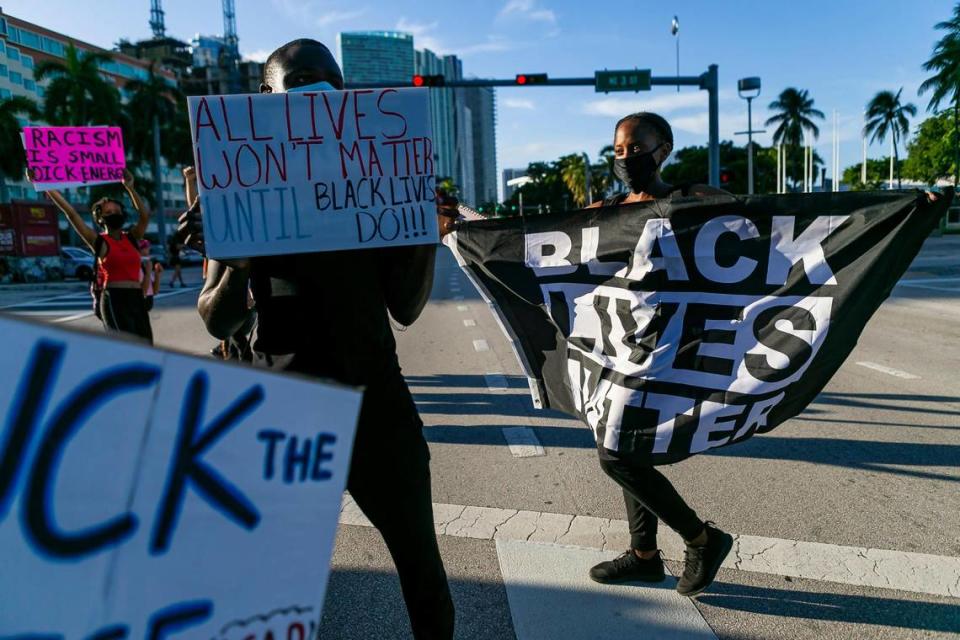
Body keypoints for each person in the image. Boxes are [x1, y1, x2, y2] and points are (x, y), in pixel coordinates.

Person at [177, 39, 458, 639]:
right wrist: (237, 259)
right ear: (265, 100)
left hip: (374, 404)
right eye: (298, 85)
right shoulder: (238, 188)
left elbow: (406, 309)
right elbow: (216, 321)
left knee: (421, 568)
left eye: (325, 86)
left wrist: (422, 230)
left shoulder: (375, 179)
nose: (313, 99)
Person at [584, 112, 733, 598]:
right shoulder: (608, 209)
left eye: (637, 147)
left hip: (667, 348)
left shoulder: (689, 200)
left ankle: (701, 538)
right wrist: (465, 224)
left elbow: (778, 217)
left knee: (615, 454)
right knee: (623, 442)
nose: (627, 157)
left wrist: (897, 204)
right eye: (619, 150)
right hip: (618, 346)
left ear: (663, 149)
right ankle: (645, 556)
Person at [28, 168, 154, 344]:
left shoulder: (132, 237)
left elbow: (144, 216)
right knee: (128, 348)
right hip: (114, 299)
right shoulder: (99, 241)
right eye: (108, 212)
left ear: (123, 214)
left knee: (147, 346)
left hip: (136, 298)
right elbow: (71, 213)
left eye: (116, 211)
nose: (113, 214)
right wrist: (44, 185)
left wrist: (130, 188)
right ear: (100, 219)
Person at [139, 239, 163, 312]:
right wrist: (148, 271)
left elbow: (155, 291)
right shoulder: (138, 267)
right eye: (145, 247)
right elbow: (143, 292)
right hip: (141, 302)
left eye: (148, 247)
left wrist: (157, 274)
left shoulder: (145, 265)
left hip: (148, 300)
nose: (148, 249)